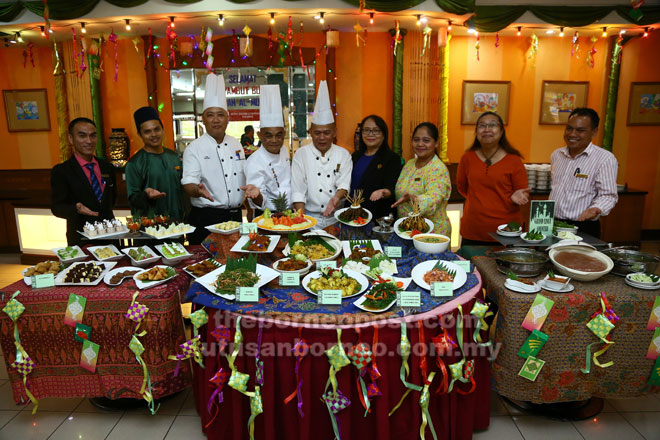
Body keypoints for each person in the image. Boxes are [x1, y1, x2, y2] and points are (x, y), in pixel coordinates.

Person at [181, 73, 246, 244]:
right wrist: (197, 190)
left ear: (228, 118)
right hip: (206, 219)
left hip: (236, 218)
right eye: (210, 115)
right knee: (204, 267)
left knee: (236, 266)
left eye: (220, 115)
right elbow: (188, 185)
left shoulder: (236, 145)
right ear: (203, 119)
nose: (216, 120)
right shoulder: (194, 148)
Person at [457, 111, 529, 245]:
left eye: (492, 125)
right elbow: (462, 188)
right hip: (473, 229)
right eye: (482, 125)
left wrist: (515, 196)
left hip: (507, 230)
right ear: (476, 131)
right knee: (472, 266)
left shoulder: (514, 160)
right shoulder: (467, 158)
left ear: (501, 131)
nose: (487, 129)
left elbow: (522, 190)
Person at [291, 80, 352, 229]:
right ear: (310, 133)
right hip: (309, 218)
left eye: (327, 132)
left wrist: (336, 198)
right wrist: (302, 222)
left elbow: (344, 184)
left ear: (335, 133)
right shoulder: (301, 154)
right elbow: (298, 190)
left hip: (337, 220)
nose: (322, 137)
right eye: (317, 133)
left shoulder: (343, 155)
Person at [549, 108, 618, 238]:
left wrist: (595, 209)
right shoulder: (556, 155)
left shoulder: (605, 159)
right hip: (554, 223)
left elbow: (609, 195)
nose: (572, 134)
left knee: (578, 259)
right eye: (569, 128)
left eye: (580, 130)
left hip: (583, 226)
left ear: (594, 132)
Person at [51, 117, 116, 245]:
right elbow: (57, 207)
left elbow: (112, 199)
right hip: (81, 238)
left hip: (110, 234)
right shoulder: (62, 171)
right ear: (71, 139)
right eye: (82, 136)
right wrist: (76, 209)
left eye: (93, 136)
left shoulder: (107, 167)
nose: (89, 141)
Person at [125, 106, 185, 221]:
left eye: (157, 129)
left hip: (176, 226)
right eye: (147, 131)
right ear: (140, 135)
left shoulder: (173, 157)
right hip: (149, 229)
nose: (153, 134)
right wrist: (146, 195)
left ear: (162, 129)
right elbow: (133, 199)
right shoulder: (134, 164)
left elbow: (181, 191)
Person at [392, 122, 451, 237]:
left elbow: (434, 198)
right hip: (408, 232)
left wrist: (414, 199)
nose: (420, 144)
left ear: (436, 143)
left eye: (426, 140)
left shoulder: (438, 169)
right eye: (416, 140)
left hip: (432, 234)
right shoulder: (409, 164)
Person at [242, 85, 291, 215]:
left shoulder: (284, 150)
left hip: (290, 213)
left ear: (284, 134)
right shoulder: (254, 161)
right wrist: (256, 195)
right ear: (259, 136)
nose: (274, 140)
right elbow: (259, 202)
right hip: (267, 216)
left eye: (278, 135)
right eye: (268, 135)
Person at [349, 115, 403, 219]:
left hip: (376, 216)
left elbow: (392, 188)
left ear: (383, 134)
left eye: (376, 130)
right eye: (366, 130)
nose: (370, 134)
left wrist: (383, 192)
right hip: (352, 213)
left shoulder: (392, 158)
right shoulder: (355, 156)